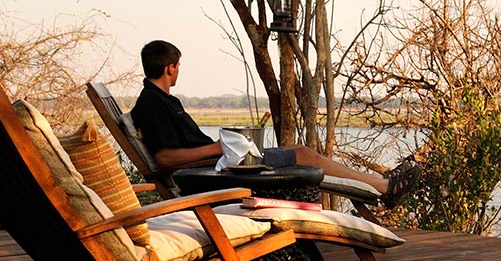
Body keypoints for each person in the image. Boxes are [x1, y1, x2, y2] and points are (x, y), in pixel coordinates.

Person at [130, 40, 419, 207]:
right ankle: (383, 187)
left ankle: (381, 187)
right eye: (178, 66)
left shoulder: (164, 100)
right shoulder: (152, 103)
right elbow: (165, 157)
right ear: (171, 67)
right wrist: (219, 147)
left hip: (222, 166)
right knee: (303, 155)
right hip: (212, 175)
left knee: (301, 153)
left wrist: (229, 145)